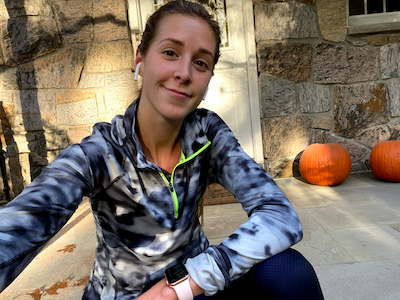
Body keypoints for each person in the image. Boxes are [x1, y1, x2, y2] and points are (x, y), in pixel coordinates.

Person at [0, 1, 324, 299]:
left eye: (200, 62)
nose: (184, 73)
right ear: (140, 58)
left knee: (289, 274)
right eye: (170, 52)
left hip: (192, 288)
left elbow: (280, 215)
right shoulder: (99, 154)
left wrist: (178, 288)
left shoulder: (206, 133)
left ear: (208, 78)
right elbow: (17, 229)